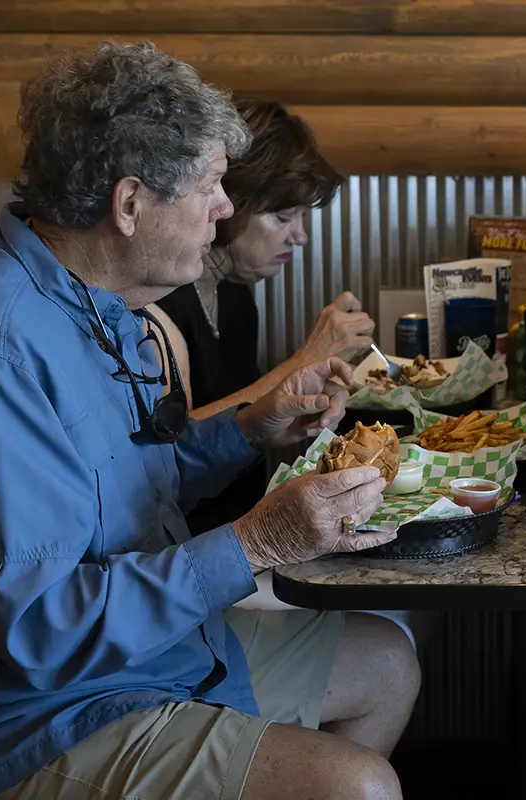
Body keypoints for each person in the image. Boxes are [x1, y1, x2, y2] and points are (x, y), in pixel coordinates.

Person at [0, 42, 417, 800]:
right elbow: (40, 629)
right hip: (35, 720)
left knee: (386, 663)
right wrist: (259, 540)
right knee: (357, 787)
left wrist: (248, 432)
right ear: (130, 205)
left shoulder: (90, 300)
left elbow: (124, 489)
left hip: (145, 658)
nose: (227, 211)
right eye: (211, 187)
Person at [145, 99, 374, 536]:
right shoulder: (157, 310)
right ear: (229, 202)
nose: (301, 236)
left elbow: (238, 424)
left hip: (250, 526)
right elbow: (170, 458)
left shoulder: (234, 293)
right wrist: (308, 357)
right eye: (284, 216)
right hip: (198, 549)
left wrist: (288, 419)